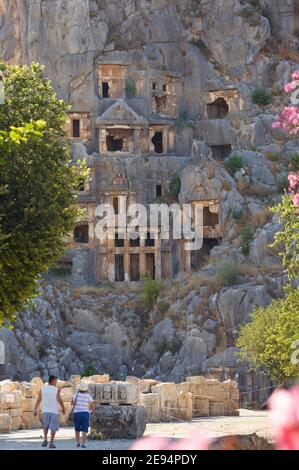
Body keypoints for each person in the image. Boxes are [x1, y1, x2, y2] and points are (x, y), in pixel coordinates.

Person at [34, 375, 65, 449]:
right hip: (54, 411)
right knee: (53, 428)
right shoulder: (56, 390)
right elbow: (59, 400)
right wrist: (63, 408)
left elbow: (38, 400)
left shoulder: (43, 389)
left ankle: (45, 439)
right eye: (56, 381)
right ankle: (51, 443)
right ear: (53, 381)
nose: (56, 382)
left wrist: (35, 409)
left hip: (45, 411)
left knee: (45, 426)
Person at [71, 382, 95, 449]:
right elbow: (93, 404)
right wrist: (92, 411)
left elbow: (72, 403)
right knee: (85, 428)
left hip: (77, 413)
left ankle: (78, 442)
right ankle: (83, 444)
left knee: (77, 428)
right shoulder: (88, 395)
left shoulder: (76, 394)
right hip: (85, 413)